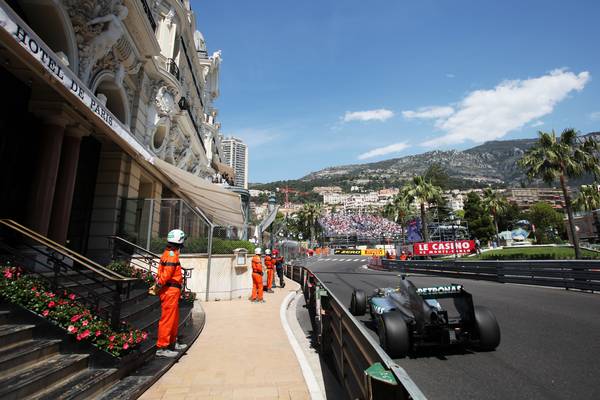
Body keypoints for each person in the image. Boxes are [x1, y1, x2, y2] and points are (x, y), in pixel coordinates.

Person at [153, 229, 187, 358]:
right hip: (169, 291)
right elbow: (166, 275)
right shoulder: (172, 256)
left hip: (171, 291)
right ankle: (162, 347)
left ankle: (172, 342)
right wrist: (158, 285)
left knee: (173, 318)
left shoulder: (169, 254)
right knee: (167, 319)